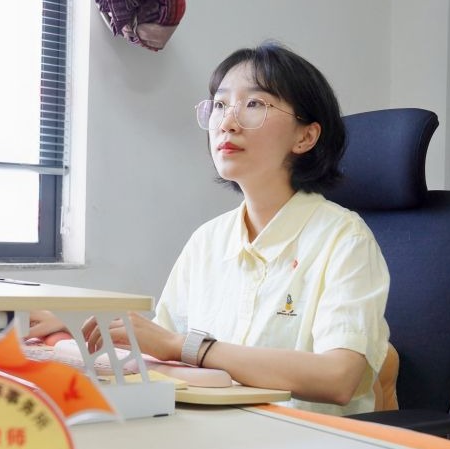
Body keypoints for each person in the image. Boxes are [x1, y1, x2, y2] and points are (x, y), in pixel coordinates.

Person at [28, 41, 390, 416]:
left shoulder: (344, 238)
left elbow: (338, 378)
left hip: (306, 434)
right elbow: (161, 347)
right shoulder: (208, 240)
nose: (227, 123)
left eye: (254, 104)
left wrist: (187, 347)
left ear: (305, 137)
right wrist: (76, 327)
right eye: (219, 105)